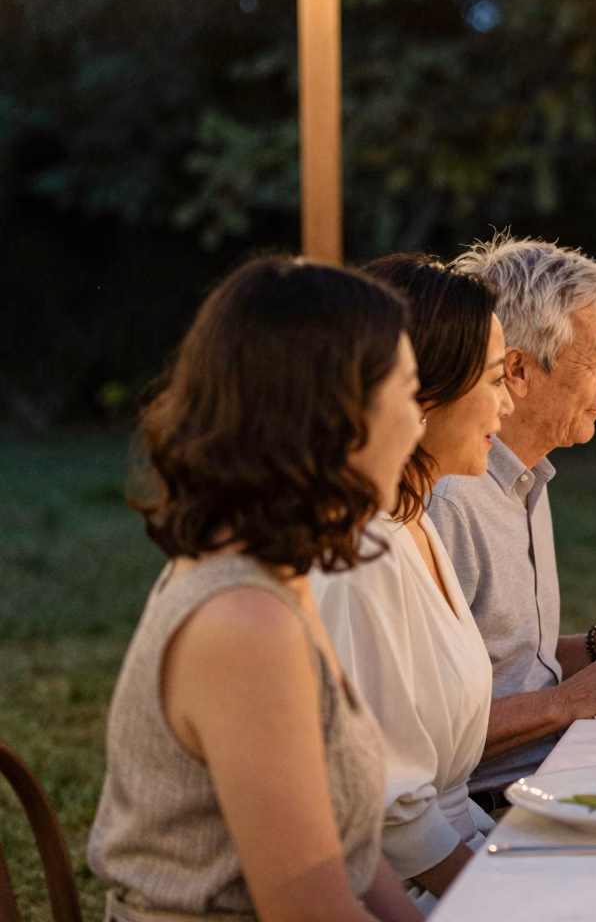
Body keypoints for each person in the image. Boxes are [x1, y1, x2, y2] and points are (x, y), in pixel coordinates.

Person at [90, 257, 423, 922]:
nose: (418, 426)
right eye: (410, 394)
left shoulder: (277, 577)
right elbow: (311, 913)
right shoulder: (243, 623)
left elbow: (349, 857)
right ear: (336, 414)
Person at [429, 236, 596, 810]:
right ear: (517, 370)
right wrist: (566, 703)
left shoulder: (526, 479)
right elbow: (420, 733)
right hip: (496, 809)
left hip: (562, 769)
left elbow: (510, 668)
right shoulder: (452, 502)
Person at [313, 255, 515, 909]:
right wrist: (507, 899)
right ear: (423, 395)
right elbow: (384, 815)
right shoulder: (361, 551)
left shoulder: (414, 524)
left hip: (461, 852)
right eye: (493, 379)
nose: (508, 403)